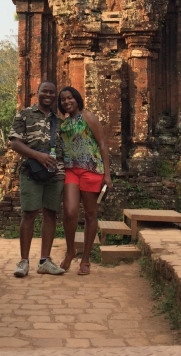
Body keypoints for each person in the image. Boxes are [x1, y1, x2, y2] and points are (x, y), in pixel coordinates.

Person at [8, 81, 66, 278]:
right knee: (29, 213)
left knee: (50, 214)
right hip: (31, 171)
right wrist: (38, 156)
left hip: (55, 173)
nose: (48, 95)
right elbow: (15, 143)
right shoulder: (24, 115)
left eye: (52, 92)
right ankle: (24, 261)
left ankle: (45, 261)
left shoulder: (59, 121)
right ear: (37, 92)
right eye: (44, 91)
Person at [57, 86, 112, 275]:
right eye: (63, 99)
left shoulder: (88, 116)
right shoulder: (63, 124)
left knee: (90, 214)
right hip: (71, 170)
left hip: (91, 170)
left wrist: (107, 174)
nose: (67, 102)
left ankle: (86, 259)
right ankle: (70, 250)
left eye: (70, 98)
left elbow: (102, 143)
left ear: (77, 98)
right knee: (70, 211)